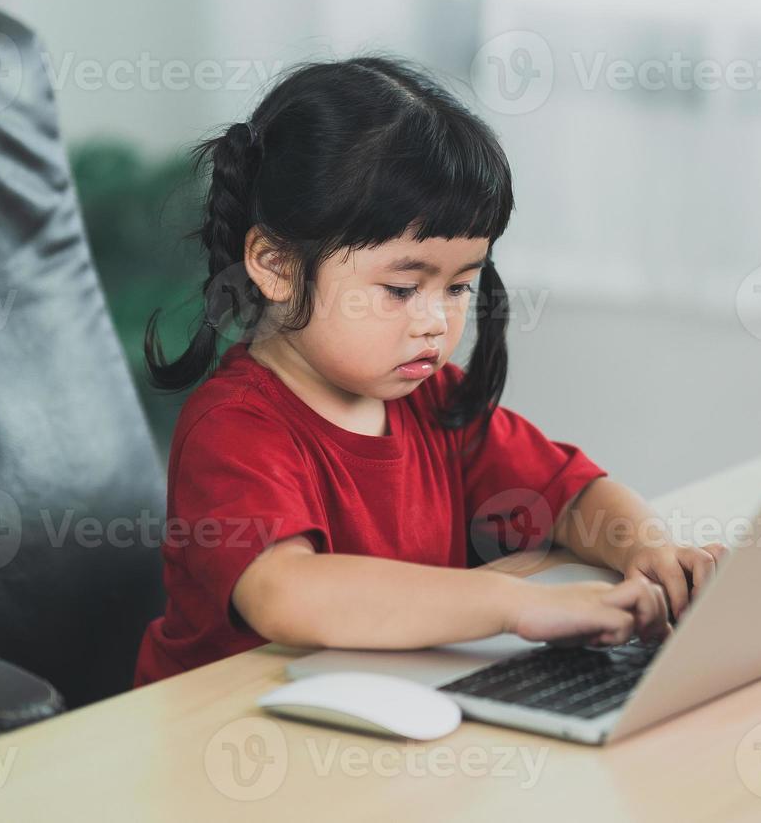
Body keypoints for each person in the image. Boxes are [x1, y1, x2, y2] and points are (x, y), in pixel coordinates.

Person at [133, 57, 726, 685]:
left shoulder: (430, 400)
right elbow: (288, 593)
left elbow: (571, 496)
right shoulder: (234, 431)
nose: (436, 322)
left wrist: (650, 550)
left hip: (384, 708)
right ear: (276, 265)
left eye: (459, 288)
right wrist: (517, 606)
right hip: (230, 739)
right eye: (401, 289)